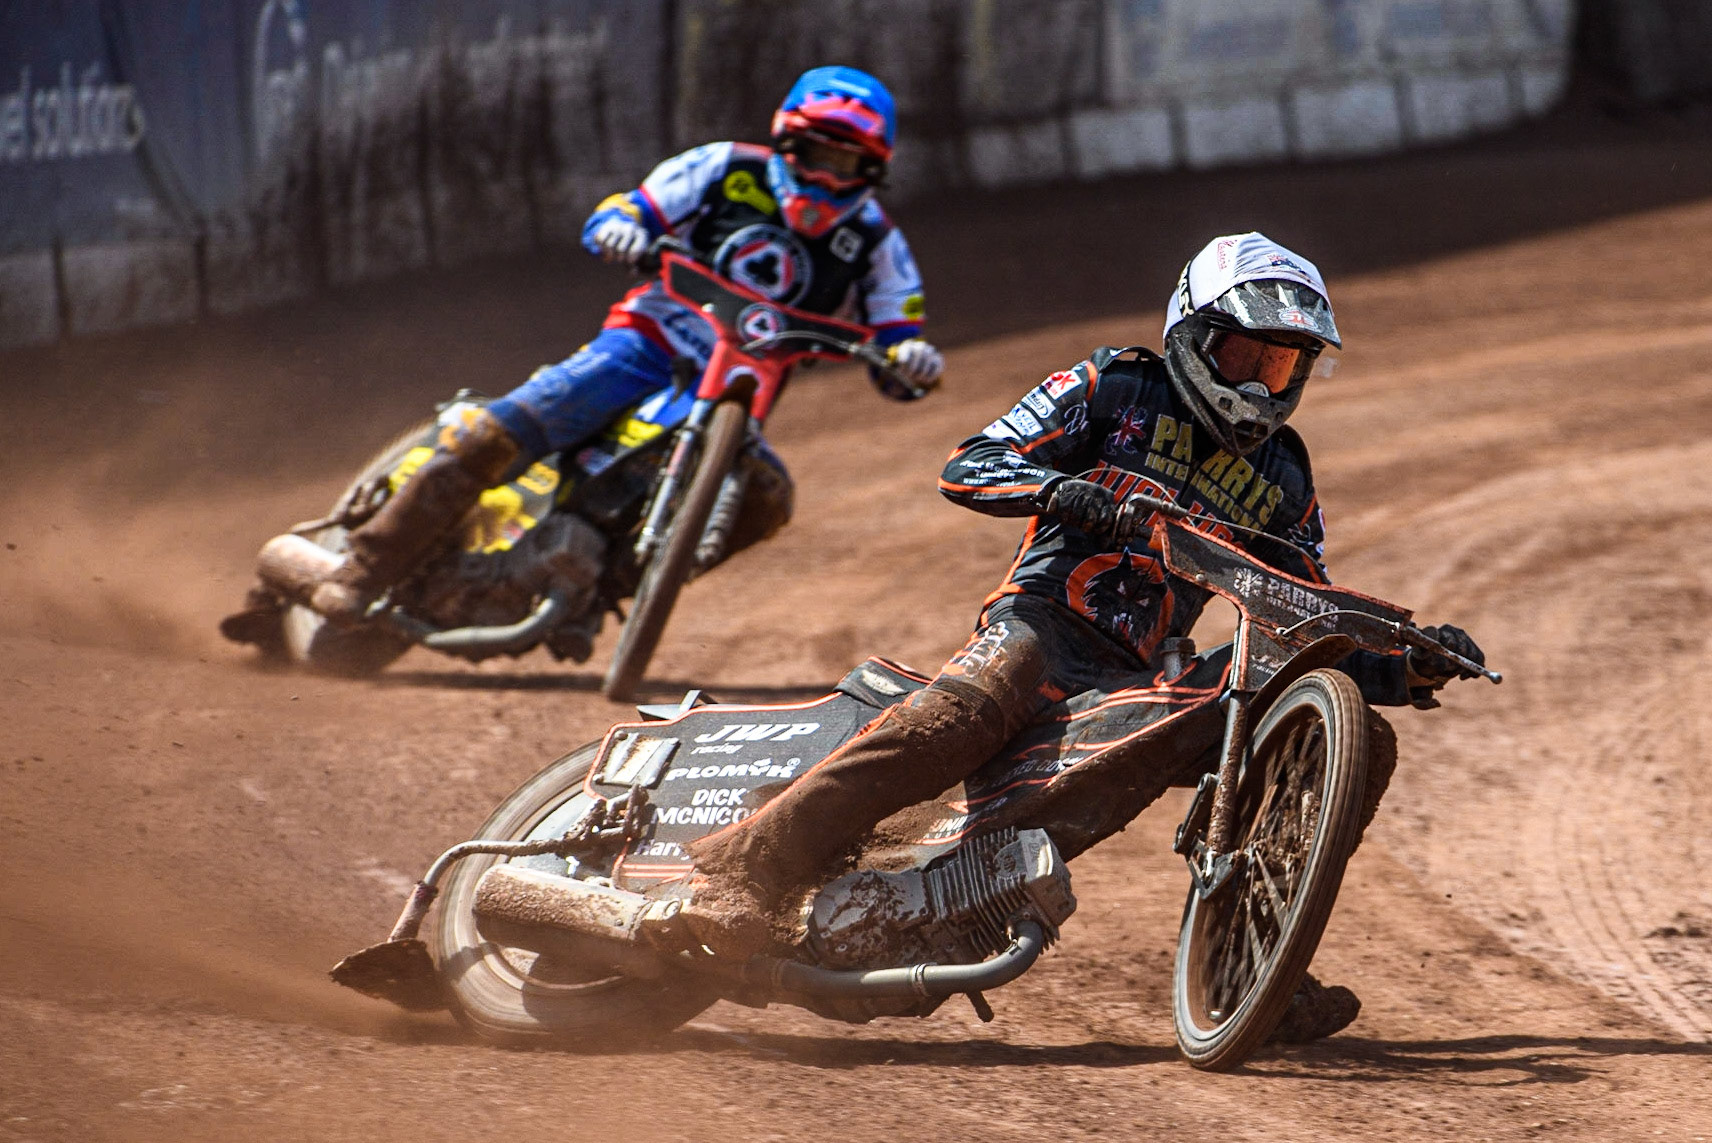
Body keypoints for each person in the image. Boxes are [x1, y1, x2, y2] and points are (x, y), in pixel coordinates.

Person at [680, 231, 1485, 1041]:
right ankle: (745, 868)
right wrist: (1059, 490)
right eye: (1245, 355)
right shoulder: (1112, 387)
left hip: (1142, 677)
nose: (1257, 385)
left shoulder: (1285, 475)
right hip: (1039, 623)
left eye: (1279, 366)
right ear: (1192, 333)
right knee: (967, 709)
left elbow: (1303, 611)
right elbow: (970, 461)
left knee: (1360, 738)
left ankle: (1252, 962)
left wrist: (1406, 663)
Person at [287, 66, 942, 625]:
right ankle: (362, 570)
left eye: (846, 164)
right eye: (816, 154)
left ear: (872, 169)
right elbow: (628, 209)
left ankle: (605, 591)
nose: (826, 177)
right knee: (498, 433)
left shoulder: (878, 243)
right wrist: (621, 228)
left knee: (768, 498)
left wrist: (910, 358)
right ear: (785, 141)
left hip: (738, 393)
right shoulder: (722, 167)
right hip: (643, 345)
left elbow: (896, 341)